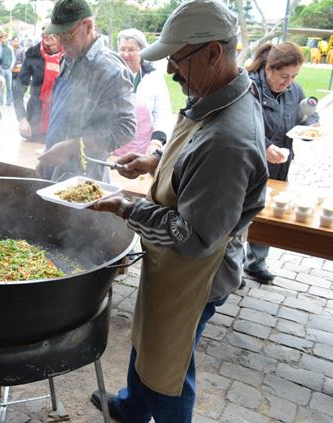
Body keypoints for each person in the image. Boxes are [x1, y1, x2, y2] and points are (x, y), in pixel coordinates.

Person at [88, 1, 268, 421]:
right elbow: (195, 157)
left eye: (178, 59)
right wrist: (157, 163)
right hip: (174, 262)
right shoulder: (220, 94)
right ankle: (132, 409)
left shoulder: (228, 139)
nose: (170, 71)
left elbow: (194, 236)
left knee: (169, 366)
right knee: (150, 340)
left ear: (213, 53)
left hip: (196, 273)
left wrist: (126, 206)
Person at [243, 41, 319, 284]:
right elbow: (241, 124)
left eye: (294, 76)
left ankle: (256, 261)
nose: (289, 82)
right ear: (268, 68)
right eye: (284, 76)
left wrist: (311, 127)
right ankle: (230, 264)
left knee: (269, 209)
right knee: (241, 212)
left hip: (280, 163)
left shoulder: (294, 89)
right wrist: (264, 146)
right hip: (248, 162)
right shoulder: (248, 85)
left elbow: (306, 113)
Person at [37, 0, 135, 182]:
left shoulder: (110, 70)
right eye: (58, 36)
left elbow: (126, 129)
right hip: (56, 170)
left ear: (88, 26)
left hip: (85, 177)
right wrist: (48, 155)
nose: (61, 44)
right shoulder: (67, 60)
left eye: (67, 36)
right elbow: (61, 117)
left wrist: (73, 146)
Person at [112, 28, 172, 157]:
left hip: (144, 151)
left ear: (142, 52)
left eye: (131, 50)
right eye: (123, 49)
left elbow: (162, 114)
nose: (126, 54)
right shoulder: (110, 76)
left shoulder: (154, 77)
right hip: (113, 151)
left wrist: (156, 142)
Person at [13, 31, 64, 144]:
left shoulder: (70, 56)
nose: (48, 35)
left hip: (60, 117)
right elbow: (18, 89)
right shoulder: (33, 55)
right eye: (45, 31)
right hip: (36, 117)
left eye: (53, 31)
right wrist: (22, 118)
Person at [0, 31, 14, 106]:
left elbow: (13, 58)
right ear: (0, 39)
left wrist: (11, 67)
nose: (4, 40)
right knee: (1, 87)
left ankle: (9, 102)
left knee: (9, 87)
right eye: (3, 38)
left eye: (6, 38)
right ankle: (0, 102)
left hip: (8, 69)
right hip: (1, 69)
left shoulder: (10, 47)